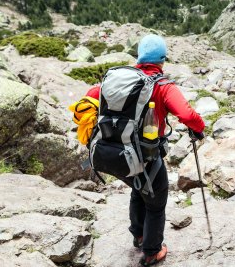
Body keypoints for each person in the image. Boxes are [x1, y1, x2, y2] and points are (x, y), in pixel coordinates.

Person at [85, 34, 205, 266]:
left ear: (139, 56)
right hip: (144, 154)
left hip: (116, 151)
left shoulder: (122, 79)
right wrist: (198, 129)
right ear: (162, 59)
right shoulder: (161, 86)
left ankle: (139, 235)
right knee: (156, 201)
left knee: (138, 188)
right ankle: (151, 251)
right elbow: (188, 114)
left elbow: (91, 94)